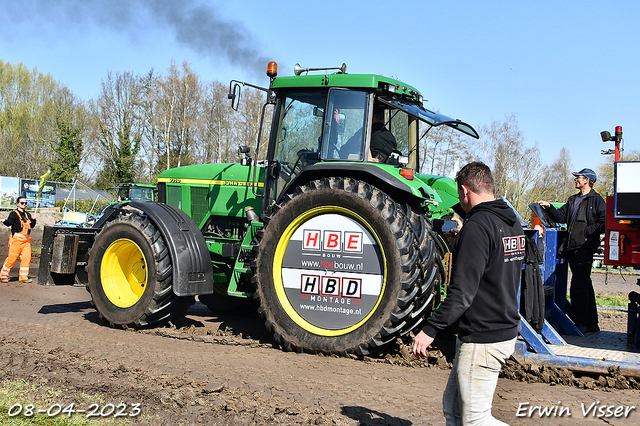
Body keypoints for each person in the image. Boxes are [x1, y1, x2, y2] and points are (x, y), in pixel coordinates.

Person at [412, 161, 525, 425]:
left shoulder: (478, 227)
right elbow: (494, 263)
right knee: (453, 410)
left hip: (483, 336)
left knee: (475, 420)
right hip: (502, 327)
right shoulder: (511, 222)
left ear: (464, 191)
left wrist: (430, 330)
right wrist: (462, 241)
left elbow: (462, 294)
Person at [538, 168, 606, 333]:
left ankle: (581, 322)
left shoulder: (596, 200)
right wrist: (549, 207)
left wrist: (587, 233)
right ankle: (592, 323)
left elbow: (604, 221)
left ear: (587, 180)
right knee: (585, 285)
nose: (576, 179)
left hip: (584, 247)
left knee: (578, 286)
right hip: (573, 247)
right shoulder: (573, 199)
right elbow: (561, 217)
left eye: (578, 177)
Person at [1, 196, 37, 283]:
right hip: (16, 240)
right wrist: (4, 220)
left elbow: (32, 225)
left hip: (26, 241)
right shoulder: (13, 214)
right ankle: (3, 275)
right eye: (22, 203)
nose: (24, 204)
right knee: (12, 258)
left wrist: (34, 219)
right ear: (17, 204)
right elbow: (9, 223)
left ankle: (23, 277)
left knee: (26, 258)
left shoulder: (27, 215)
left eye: (25, 203)